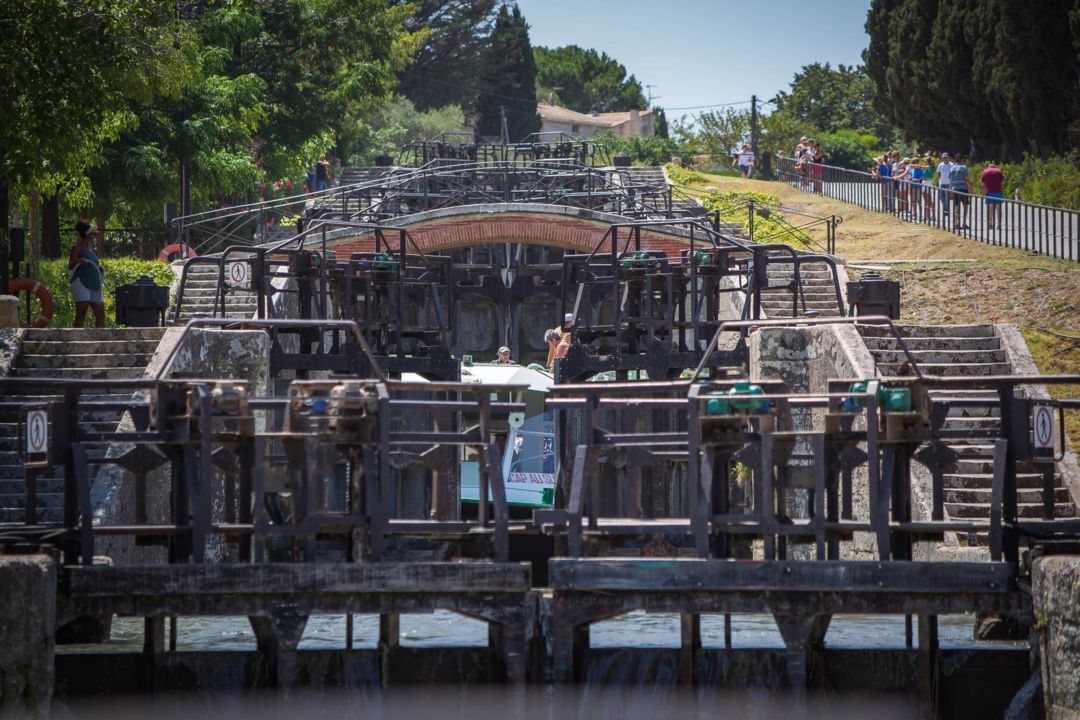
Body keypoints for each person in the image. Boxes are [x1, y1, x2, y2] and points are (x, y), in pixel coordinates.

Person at [69, 221, 105, 328]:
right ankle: (77, 336)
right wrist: (79, 260)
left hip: (94, 282)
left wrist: (99, 269)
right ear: (88, 235)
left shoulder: (91, 248)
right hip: (81, 282)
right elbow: (70, 265)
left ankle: (100, 336)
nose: (94, 236)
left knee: (100, 313)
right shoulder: (77, 248)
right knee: (82, 312)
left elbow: (93, 263)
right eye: (93, 234)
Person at [981, 162, 1005, 229]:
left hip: (989, 192)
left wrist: (984, 192)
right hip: (998, 192)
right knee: (998, 208)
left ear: (989, 167)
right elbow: (1003, 182)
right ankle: (999, 224)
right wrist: (1002, 191)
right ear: (994, 167)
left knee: (990, 208)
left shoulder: (985, 171)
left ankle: (990, 224)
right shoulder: (999, 171)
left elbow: (982, 183)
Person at [950, 154, 971, 229]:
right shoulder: (963, 167)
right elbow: (966, 179)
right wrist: (970, 189)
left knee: (956, 207)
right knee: (965, 206)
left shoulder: (952, 168)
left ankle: (957, 223)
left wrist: (950, 190)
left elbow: (951, 180)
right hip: (963, 189)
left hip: (955, 189)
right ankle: (964, 223)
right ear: (962, 160)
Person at [936, 152, 954, 220]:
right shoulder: (940, 165)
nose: (944, 159)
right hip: (941, 183)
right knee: (941, 197)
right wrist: (940, 180)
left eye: (946, 157)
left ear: (948, 158)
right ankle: (945, 208)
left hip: (948, 183)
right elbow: (938, 173)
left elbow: (953, 174)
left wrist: (951, 183)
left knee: (947, 197)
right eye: (943, 158)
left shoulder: (951, 165)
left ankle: (946, 211)